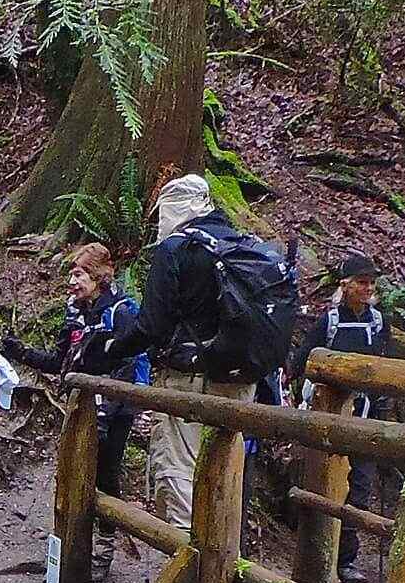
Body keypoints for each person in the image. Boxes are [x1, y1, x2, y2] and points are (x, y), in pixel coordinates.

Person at [95, 173, 272, 528]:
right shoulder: (244, 245)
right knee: (225, 470)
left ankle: (186, 564)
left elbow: (151, 326)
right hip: (240, 380)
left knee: (177, 468)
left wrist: (112, 349)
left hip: (187, 380)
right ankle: (222, 566)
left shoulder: (176, 249)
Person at [0, 241, 143, 579]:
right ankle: (73, 547)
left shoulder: (121, 311)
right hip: (80, 408)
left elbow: (128, 364)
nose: (72, 282)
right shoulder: (74, 310)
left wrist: (107, 410)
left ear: (98, 276)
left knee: (105, 477)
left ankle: (102, 554)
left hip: (113, 411)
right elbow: (60, 362)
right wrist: (20, 353)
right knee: (74, 473)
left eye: (78, 274)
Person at [291, 252, 396, 583]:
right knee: (323, 482)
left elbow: (386, 363)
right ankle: (316, 554)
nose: (367, 289)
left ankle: (346, 558)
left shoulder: (379, 321)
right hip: (329, 415)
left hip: (365, 415)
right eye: (362, 282)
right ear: (345, 285)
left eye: (371, 283)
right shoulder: (330, 320)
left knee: (359, 488)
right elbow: (306, 355)